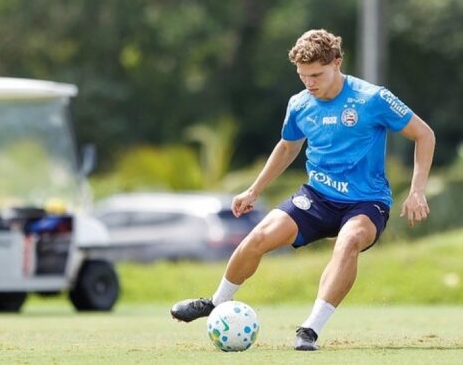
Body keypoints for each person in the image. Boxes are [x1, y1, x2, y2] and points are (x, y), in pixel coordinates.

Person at [170, 29, 435, 351]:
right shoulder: (299, 104)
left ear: (337, 62)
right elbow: (287, 147)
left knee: (349, 241)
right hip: (317, 197)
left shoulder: (372, 98)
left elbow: (424, 135)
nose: (309, 82)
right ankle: (216, 302)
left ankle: (310, 329)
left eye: (317, 75)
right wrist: (253, 190)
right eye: (302, 76)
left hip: (366, 202)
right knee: (258, 237)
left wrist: (417, 190)